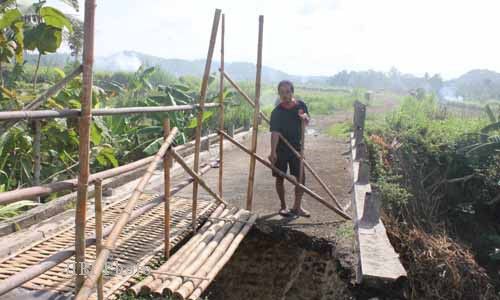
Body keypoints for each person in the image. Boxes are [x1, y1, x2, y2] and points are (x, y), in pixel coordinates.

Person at [269, 80, 311, 217]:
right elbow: (274, 133)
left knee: (301, 178)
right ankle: (283, 206)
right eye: (282, 93)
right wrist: (273, 152)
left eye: (287, 92)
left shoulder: (301, 105)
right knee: (280, 177)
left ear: (292, 92)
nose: (285, 95)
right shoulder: (277, 112)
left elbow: (307, 121)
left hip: (297, 148)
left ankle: (297, 207)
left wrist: (305, 118)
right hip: (281, 149)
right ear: (279, 94)